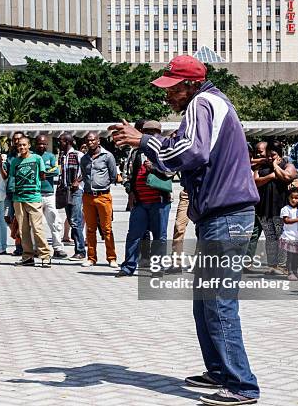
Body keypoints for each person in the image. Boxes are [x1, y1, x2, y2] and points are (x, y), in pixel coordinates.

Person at [111, 55, 260, 405]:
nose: (168, 97)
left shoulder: (202, 103)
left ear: (190, 85)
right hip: (223, 216)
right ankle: (221, 371)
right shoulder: (213, 102)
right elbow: (177, 160)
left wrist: (144, 140)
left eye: (172, 89)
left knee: (219, 304)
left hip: (226, 217)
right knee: (205, 301)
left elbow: (190, 152)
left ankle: (242, 385)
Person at [116, 120, 173, 277]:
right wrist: (130, 191)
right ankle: (128, 267)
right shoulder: (135, 152)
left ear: (158, 133)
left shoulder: (165, 151)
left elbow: (171, 172)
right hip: (140, 202)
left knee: (159, 237)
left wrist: (154, 168)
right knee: (134, 235)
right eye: (147, 132)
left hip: (160, 202)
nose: (151, 135)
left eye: (154, 132)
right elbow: (127, 174)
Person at [253, 140, 296, 274]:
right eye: (269, 155)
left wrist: (275, 167)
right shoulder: (261, 167)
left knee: (282, 237)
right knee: (270, 238)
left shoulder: (287, 165)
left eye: (274, 154)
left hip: (280, 208)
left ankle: (282, 266)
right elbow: (255, 182)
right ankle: (272, 266)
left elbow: (287, 176)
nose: (271, 157)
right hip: (264, 208)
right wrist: (271, 175)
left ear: (280, 154)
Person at [8, 136, 52, 267]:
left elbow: (43, 175)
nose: (21, 147)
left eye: (24, 145)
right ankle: (28, 257)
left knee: (37, 228)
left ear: (29, 146)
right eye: (19, 145)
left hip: (33, 197)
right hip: (18, 198)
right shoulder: (15, 161)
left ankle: (45, 256)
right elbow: (12, 178)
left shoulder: (37, 159)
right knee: (23, 230)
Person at [80, 133, 118, 268]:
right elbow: (84, 175)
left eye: (92, 140)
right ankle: (91, 258)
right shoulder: (84, 159)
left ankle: (112, 258)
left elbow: (113, 175)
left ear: (98, 141)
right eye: (88, 140)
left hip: (103, 196)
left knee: (107, 229)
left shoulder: (107, 156)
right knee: (90, 229)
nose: (90, 143)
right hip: (88, 196)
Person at [34, 135, 68, 259]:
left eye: (44, 144)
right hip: (35, 194)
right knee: (36, 224)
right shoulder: (32, 156)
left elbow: (56, 171)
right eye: (39, 143)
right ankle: (37, 249)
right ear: (35, 144)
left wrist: (43, 172)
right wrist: (42, 172)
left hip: (49, 194)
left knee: (54, 222)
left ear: (47, 144)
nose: (41, 146)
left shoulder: (50, 156)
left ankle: (58, 248)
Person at [57, 133, 86, 261]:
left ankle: (80, 251)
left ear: (67, 142)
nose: (59, 144)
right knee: (70, 219)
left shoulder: (78, 155)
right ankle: (78, 249)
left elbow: (87, 169)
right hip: (65, 191)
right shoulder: (63, 156)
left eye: (61, 141)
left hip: (76, 191)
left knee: (75, 220)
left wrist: (78, 181)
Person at [4, 132, 25, 256]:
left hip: (24, 192)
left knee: (23, 220)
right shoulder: (10, 157)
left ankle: (25, 246)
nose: (17, 142)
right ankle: (19, 245)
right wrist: (1, 165)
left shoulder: (30, 156)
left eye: (19, 139)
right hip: (11, 191)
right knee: (10, 219)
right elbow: (5, 175)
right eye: (14, 140)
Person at [278, 188, 298, 281]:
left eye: (296, 198)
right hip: (289, 236)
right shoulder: (285, 209)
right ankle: (290, 272)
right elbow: (286, 221)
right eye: (292, 197)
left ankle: (295, 271)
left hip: (297, 236)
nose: (294, 200)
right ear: (288, 198)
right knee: (290, 255)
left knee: (296, 256)